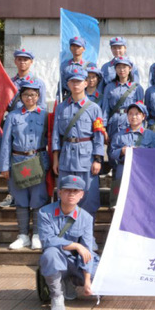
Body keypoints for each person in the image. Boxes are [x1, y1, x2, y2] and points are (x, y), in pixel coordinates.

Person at [38, 175, 100, 310]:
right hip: (56, 259)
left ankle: (69, 281)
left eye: (76, 191)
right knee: (50, 253)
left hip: (74, 261)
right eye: (67, 190)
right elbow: (47, 240)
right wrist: (75, 245)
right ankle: (57, 296)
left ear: (81, 195)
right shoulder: (45, 212)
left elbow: (87, 250)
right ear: (60, 192)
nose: (71, 194)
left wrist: (87, 281)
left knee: (99, 281)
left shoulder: (86, 218)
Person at [0, 81, 49, 250]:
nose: (30, 98)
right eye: (26, 95)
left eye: (33, 95)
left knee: (38, 198)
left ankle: (36, 234)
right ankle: (22, 235)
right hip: (18, 161)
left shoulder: (45, 115)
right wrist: (4, 166)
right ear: (21, 97)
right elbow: (6, 142)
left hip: (38, 160)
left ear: (38, 96)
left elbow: (51, 139)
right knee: (21, 199)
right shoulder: (13, 116)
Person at [52, 68, 105, 218]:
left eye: (79, 81)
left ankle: (87, 231)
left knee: (88, 197)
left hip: (86, 158)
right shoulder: (61, 108)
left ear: (86, 83)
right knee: (65, 195)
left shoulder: (94, 108)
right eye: (72, 81)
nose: (76, 84)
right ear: (68, 84)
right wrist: (55, 159)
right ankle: (66, 230)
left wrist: (97, 159)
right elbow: (56, 135)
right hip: (66, 157)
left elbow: (98, 135)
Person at [108, 102, 155, 207]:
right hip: (123, 169)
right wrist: (122, 151)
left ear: (143, 116)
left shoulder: (150, 135)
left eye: (137, 114)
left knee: (142, 201)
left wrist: (142, 152)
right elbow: (112, 153)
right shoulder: (119, 135)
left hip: (143, 171)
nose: (133, 117)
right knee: (122, 202)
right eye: (130, 114)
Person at [101, 57, 144, 139]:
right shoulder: (109, 87)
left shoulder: (137, 88)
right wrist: (103, 128)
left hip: (130, 122)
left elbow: (141, 110)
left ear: (130, 68)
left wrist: (140, 127)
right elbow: (105, 109)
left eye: (124, 67)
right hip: (114, 123)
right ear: (115, 69)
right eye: (119, 67)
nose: (121, 70)